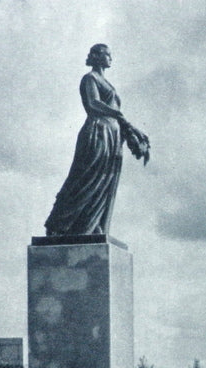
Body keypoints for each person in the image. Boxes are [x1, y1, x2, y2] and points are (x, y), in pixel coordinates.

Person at [44, 43, 149, 237]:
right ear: (97, 56)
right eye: (108, 55)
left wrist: (127, 128)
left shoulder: (106, 82)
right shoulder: (89, 78)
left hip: (113, 137)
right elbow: (93, 103)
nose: (111, 58)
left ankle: (91, 225)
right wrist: (120, 115)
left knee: (104, 181)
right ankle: (61, 223)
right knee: (86, 178)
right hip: (97, 133)